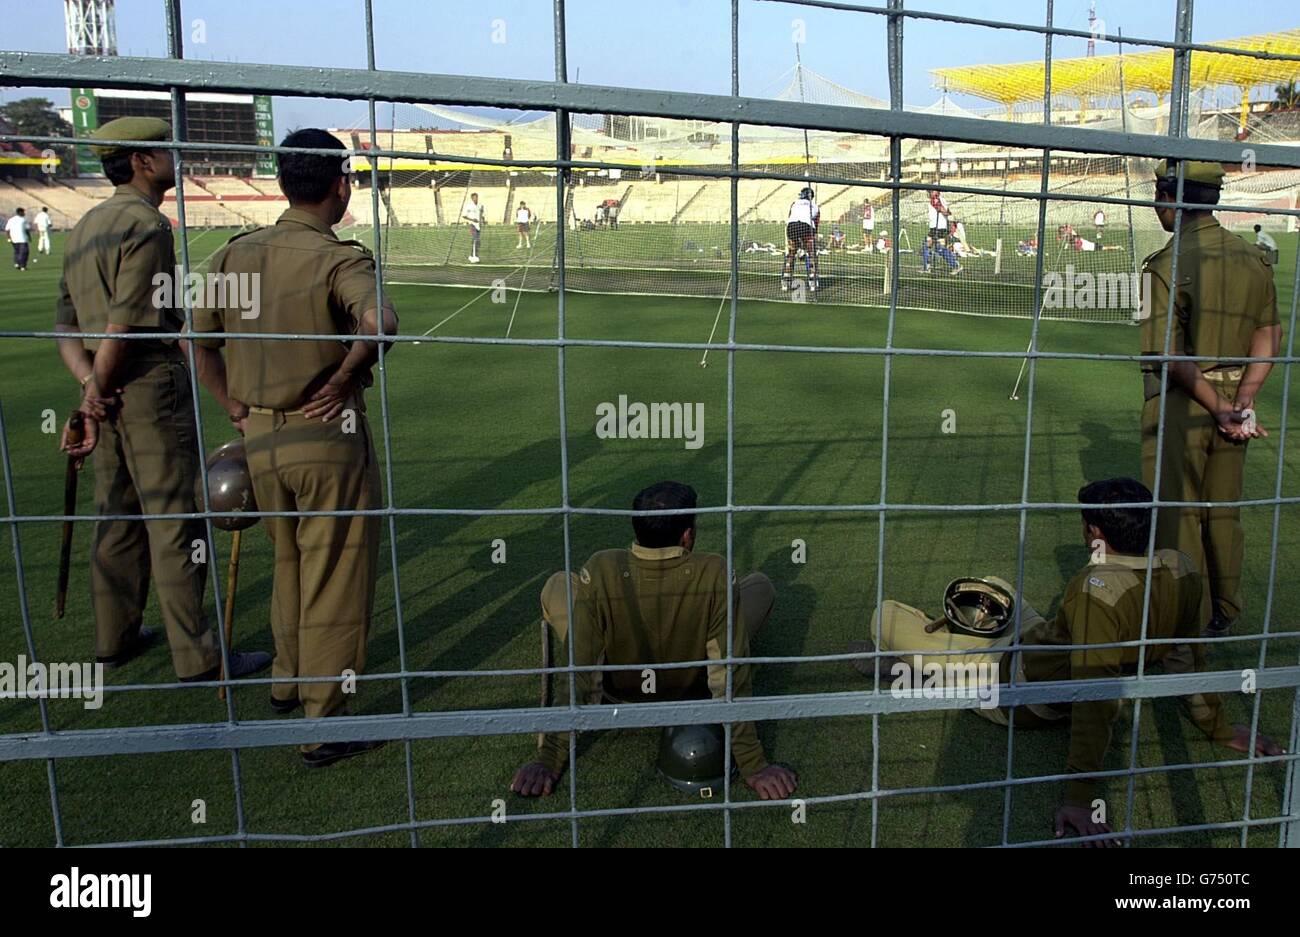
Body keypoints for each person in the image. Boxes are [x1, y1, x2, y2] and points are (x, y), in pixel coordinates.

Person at [852, 477, 1282, 846]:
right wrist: (1219, 727)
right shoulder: (1182, 567)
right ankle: (948, 642)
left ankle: (926, 665)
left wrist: (1079, 799)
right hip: (1039, 645)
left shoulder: (1096, 589)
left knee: (885, 615)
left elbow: (1095, 699)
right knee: (995, 584)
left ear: (1095, 530)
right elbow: (1187, 654)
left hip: (1011, 689)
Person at [193, 128, 397, 768]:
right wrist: (339, 379)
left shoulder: (234, 255)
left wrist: (233, 405)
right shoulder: (340, 259)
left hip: (260, 440)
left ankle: (286, 679)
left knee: (288, 561)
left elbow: (195, 337)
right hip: (324, 436)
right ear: (340, 184)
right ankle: (324, 720)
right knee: (334, 574)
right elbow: (381, 324)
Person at [54, 116, 269, 683]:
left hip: (105, 394)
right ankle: (199, 656)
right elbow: (124, 327)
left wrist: (90, 394)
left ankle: (114, 637)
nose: (174, 157)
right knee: (176, 522)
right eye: (162, 149)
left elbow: (65, 327)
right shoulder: (147, 226)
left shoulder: (86, 226)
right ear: (141, 162)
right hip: (147, 388)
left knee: (117, 515)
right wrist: (96, 391)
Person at [510, 480, 798, 801]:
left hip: (619, 690)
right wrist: (753, 764)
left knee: (559, 583)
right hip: (692, 689)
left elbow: (579, 664)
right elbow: (730, 671)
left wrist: (548, 757)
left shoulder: (602, 566)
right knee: (760, 585)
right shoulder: (714, 570)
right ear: (687, 535)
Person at [1140, 159, 1282, 638]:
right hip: (1236, 403)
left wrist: (1214, 405)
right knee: (1223, 512)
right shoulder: (1253, 258)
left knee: (1178, 513)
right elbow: (1268, 333)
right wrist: (1239, 402)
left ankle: (1189, 618)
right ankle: (1225, 607)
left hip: (1184, 402)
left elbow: (1166, 354)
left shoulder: (1164, 265)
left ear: (1167, 197)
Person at [781, 186, 820, 292]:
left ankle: (785, 282)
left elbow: (790, 217)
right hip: (806, 226)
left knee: (791, 254)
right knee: (811, 254)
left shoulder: (794, 203)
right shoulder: (815, 206)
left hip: (791, 226)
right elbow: (816, 224)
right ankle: (812, 283)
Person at [922, 190, 961, 275]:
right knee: (934, 247)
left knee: (932, 246)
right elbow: (949, 212)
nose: (929, 193)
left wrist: (944, 212)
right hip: (940, 227)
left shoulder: (934, 199)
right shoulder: (943, 199)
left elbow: (943, 210)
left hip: (937, 227)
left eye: (930, 192)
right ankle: (954, 265)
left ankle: (954, 265)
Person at [462, 191, 484, 263]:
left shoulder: (480, 205)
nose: (475, 199)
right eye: (474, 198)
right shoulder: (469, 206)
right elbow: (464, 216)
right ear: (472, 198)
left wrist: (482, 220)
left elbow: (481, 214)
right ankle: (474, 257)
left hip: (478, 225)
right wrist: (472, 220)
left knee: (477, 241)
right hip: (472, 224)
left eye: (476, 197)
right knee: (475, 239)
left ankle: (471, 255)